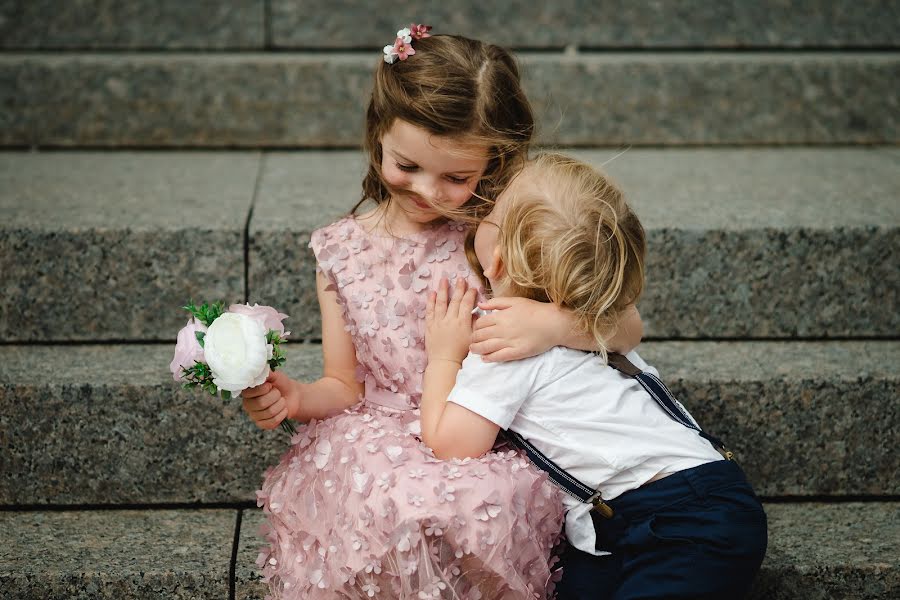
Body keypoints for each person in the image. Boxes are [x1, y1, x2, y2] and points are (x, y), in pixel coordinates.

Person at [242, 29, 642, 599]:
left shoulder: (501, 233)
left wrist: (551, 323)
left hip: (484, 428)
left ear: (493, 161)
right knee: (396, 497)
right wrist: (297, 399)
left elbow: (626, 326)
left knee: (479, 500)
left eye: (456, 178)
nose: (428, 190)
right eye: (407, 165)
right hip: (376, 435)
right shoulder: (341, 251)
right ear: (378, 132)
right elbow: (343, 383)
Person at [421, 153, 768, 600]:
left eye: (490, 213)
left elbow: (451, 444)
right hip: (678, 504)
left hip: (680, 523)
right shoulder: (597, 318)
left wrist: (444, 356)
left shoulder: (502, 344)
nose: (480, 214)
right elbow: (630, 324)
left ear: (500, 262)